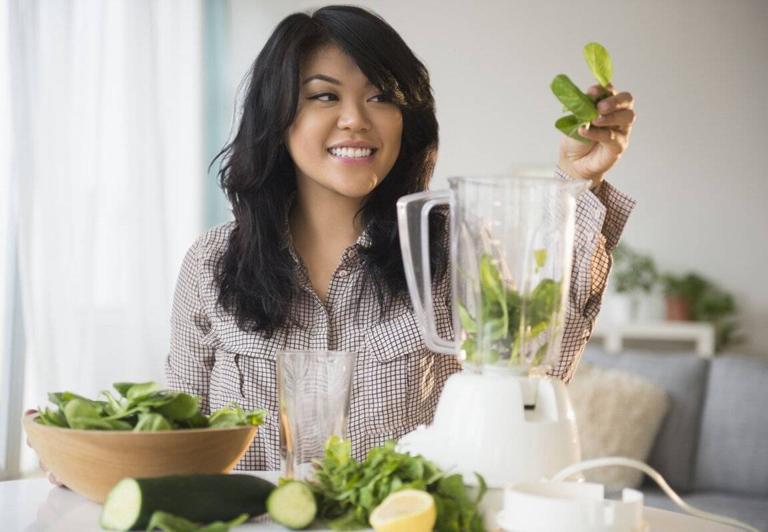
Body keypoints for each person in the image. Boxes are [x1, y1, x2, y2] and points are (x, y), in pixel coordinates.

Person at [166, 5, 636, 470]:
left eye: (380, 97)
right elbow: (179, 450)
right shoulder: (211, 264)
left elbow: (534, 383)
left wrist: (578, 179)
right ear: (278, 117)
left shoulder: (457, 250)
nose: (355, 119)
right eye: (324, 97)